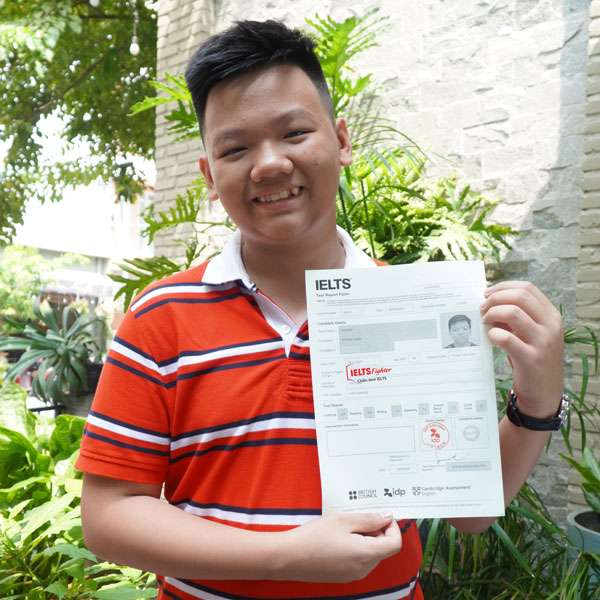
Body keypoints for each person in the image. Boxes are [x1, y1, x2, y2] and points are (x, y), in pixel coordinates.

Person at [76, 19, 565, 600]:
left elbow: (470, 512)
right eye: (235, 148)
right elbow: (108, 517)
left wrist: (538, 399)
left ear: (342, 141)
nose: (269, 164)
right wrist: (284, 556)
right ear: (209, 175)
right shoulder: (161, 317)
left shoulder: (413, 308)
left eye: (294, 133)